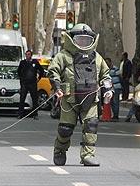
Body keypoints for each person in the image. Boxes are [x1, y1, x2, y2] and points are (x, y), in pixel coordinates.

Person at [48, 23, 112, 167]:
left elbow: (105, 75)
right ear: (72, 39)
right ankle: (60, 150)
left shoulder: (97, 57)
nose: (83, 42)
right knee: (65, 129)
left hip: (91, 98)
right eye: (80, 39)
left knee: (91, 126)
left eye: (86, 40)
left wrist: (108, 90)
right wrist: (57, 87)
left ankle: (88, 155)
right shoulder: (64, 56)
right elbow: (53, 71)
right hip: (69, 99)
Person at [18, 49, 45, 119]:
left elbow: (41, 70)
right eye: (26, 54)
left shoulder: (35, 62)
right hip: (24, 83)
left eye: (29, 54)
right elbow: (19, 71)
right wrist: (21, 80)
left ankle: (35, 114)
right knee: (22, 98)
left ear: (31, 55)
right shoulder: (22, 62)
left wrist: (39, 78)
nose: (27, 56)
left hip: (32, 83)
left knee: (34, 99)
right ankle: (20, 114)